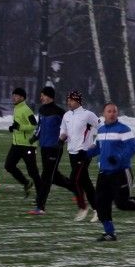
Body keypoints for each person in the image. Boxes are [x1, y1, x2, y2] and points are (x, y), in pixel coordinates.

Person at [87, 102, 135, 241]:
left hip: (121, 172)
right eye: (109, 111)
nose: (112, 114)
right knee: (101, 204)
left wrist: (118, 158)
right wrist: (85, 154)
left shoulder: (123, 129)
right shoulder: (101, 131)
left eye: (114, 111)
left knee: (122, 204)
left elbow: (132, 147)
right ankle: (110, 233)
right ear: (104, 113)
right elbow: (98, 148)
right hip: (104, 173)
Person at [28, 86, 77, 215]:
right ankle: (78, 190)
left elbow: (68, 129)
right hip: (44, 147)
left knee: (46, 176)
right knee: (55, 177)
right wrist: (34, 137)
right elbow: (40, 126)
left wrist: (63, 141)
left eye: (42, 95)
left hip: (55, 148)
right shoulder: (42, 109)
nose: (41, 97)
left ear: (49, 96)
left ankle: (40, 206)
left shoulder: (60, 112)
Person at [60, 90, 100, 221]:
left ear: (77, 101)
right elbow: (63, 130)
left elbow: (102, 128)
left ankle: (83, 207)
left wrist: (94, 144)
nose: (68, 102)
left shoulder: (87, 115)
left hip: (84, 153)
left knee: (75, 180)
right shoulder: (66, 115)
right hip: (71, 152)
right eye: (68, 99)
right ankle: (98, 209)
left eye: (71, 100)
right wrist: (62, 138)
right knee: (85, 182)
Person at [4, 87, 42, 198]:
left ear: (22, 97)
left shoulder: (26, 109)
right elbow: (19, 125)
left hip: (28, 146)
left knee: (33, 172)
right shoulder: (16, 108)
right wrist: (13, 127)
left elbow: (34, 125)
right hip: (16, 145)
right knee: (9, 166)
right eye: (13, 95)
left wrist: (19, 127)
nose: (13, 97)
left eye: (16, 95)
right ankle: (26, 183)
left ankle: (41, 194)